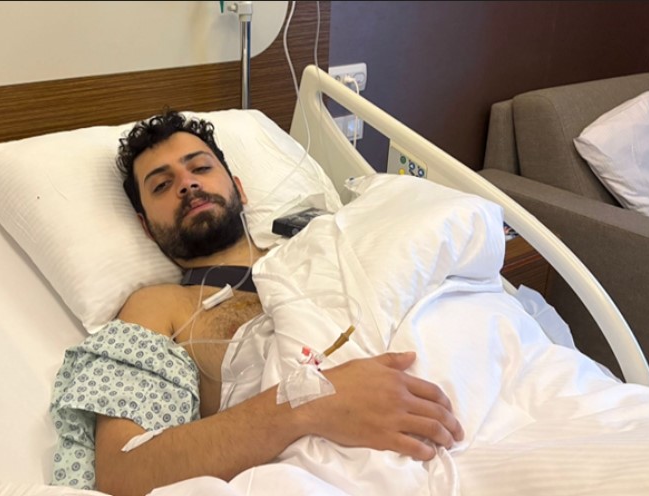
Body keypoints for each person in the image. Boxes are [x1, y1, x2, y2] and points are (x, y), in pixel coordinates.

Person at [51, 110, 464, 496]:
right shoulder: (162, 305)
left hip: (458, 409)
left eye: (200, 168)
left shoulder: (325, 241)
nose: (187, 184)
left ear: (240, 188)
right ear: (145, 226)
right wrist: (309, 401)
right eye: (162, 185)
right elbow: (123, 469)